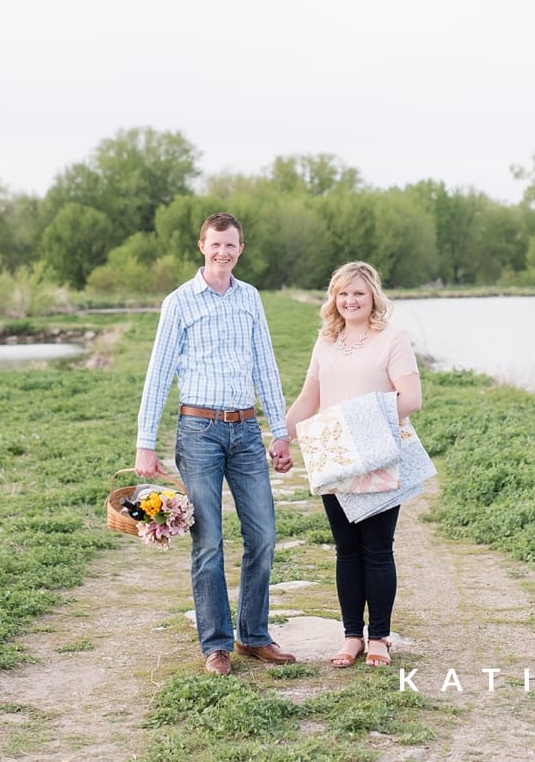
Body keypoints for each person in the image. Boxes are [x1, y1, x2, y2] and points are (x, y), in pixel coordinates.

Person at [134, 212, 297, 676]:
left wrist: (279, 431)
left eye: (231, 246)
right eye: (214, 245)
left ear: (240, 249)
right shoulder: (179, 302)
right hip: (199, 431)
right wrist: (146, 444)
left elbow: (265, 365)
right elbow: (159, 374)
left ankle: (253, 636)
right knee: (208, 542)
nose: (222, 253)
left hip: (246, 431)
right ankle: (216, 645)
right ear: (201, 246)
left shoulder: (250, 299)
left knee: (263, 535)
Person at [283, 260, 422, 669]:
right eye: (343, 293)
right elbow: (309, 399)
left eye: (358, 293)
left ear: (373, 296)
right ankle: (350, 637)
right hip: (334, 459)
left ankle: (379, 636)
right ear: (334, 298)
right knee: (346, 551)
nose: (350, 300)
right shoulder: (326, 341)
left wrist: (356, 425)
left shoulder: (392, 339)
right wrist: (280, 436)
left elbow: (410, 398)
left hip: (377, 455)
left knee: (377, 550)